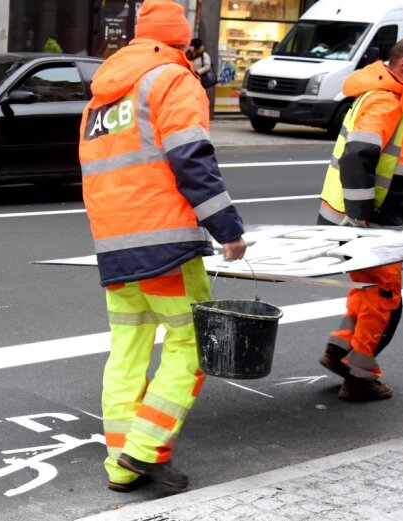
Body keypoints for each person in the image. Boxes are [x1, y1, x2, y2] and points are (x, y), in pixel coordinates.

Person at [78, 0, 247, 493]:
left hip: (114, 244)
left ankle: (118, 465)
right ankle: (146, 450)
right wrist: (228, 229)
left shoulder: (102, 97)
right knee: (193, 346)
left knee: (127, 351)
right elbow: (191, 157)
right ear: (181, 42)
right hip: (166, 244)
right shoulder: (172, 80)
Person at [315, 35, 403, 402]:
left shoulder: (387, 96)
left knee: (368, 290)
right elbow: (357, 155)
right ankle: (359, 376)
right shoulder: (386, 102)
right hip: (367, 221)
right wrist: (361, 222)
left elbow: (397, 160)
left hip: (350, 217)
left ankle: (340, 350)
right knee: (386, 298)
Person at [187, 38, 215, 112]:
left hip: (199, 78)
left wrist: (197, 72)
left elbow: (207, 66)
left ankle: (198, 110)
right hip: (189, 78)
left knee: (197, 95)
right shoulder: (189, 53)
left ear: (196, 46)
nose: (190, 47)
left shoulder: (204, 55)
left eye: (191, 46)